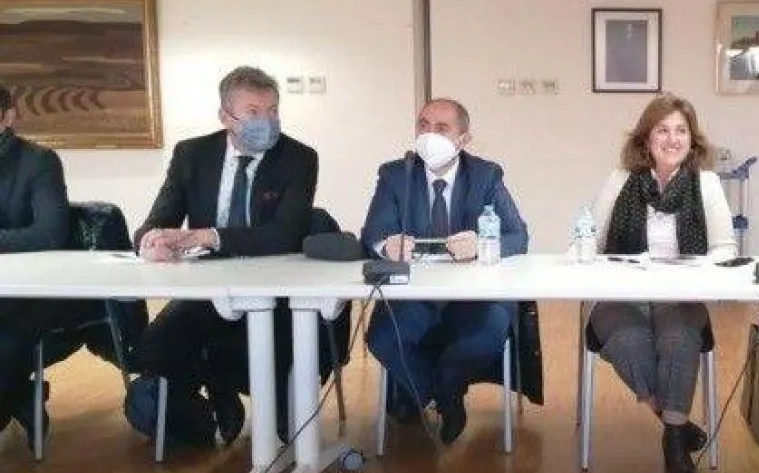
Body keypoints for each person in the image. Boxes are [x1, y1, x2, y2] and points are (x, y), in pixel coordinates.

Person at [129, 66, 319, 447]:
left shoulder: (298, 158)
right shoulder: (192, 155)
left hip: (275, 288)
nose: (266, 121)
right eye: (254, 112)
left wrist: (208, 236)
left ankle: (263, 405)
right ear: (226, 117)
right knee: (154, 348)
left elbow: (285, 235)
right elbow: (159, 218)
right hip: (207, 288)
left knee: (277, 351)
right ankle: (208, 408)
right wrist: (152, 240)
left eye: (273, 110)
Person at [585, 93, 735, 473]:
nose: (672, 139)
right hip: (622, 293)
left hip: (680, 293)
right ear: (646, 139)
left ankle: (673, 441)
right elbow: (591, 240)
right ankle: (676, 424)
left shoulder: (706, 183)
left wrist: (700, 271)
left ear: (692, 139)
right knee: (629, 341)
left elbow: (725, 249)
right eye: (662, 130)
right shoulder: (621, 180)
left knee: (679, 339)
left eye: (681, 130)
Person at [362, 98, 528, 445]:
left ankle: (449, 389)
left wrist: (483, 244)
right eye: (423, 125)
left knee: (487, 335)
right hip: (414, 294)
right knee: (382, 337)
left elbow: (518, 236)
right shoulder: (396, 175)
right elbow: (373, 233)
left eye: (442, 128)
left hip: (475, 294)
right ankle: (437, 397)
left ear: (463, 139)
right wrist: (387, 247)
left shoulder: (486, 175)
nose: (430, 135)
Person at [0, 84, 90, 448]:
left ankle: (13, 396)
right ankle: (20, 394)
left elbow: (49, 233)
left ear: (8, 117)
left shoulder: (38, 161)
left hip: (29, 290)